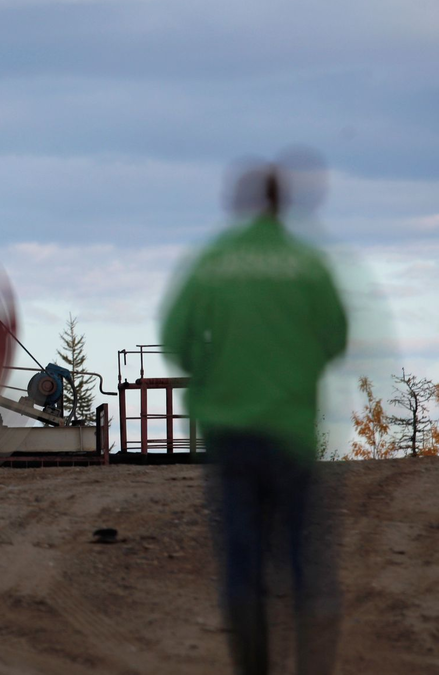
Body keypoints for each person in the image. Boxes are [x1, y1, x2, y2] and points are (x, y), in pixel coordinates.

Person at [160, 161, 347, 675]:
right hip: (291, 431)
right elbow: (336, 337)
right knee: (304, 560)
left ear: (240, 203)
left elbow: (175, 340)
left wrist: (215, 377)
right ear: (282, 203)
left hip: (230, 432)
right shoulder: (309, 263)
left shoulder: (211, 261)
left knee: (241, 563)